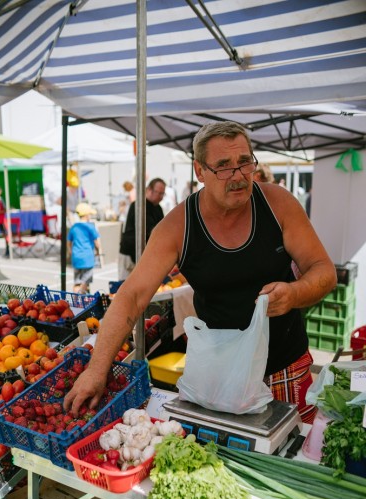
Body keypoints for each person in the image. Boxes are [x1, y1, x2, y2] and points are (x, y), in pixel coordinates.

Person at [64, 122, 336, 422]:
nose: (238, 176)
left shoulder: (278, 204)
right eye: (223, 166)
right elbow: (132, 295)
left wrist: (295, 293)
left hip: (284, 367)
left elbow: (323, 270)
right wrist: (96, 370)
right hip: (216, 375)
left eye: (244, 162)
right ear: (199, 171)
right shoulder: (178, 226)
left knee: (293, 457)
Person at [118, 178, 166, 280]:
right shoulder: (138, 206)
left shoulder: (158, 208)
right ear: (149, 190)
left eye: (162, 194)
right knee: (124, 287)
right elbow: (154, 231)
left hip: (144, 256)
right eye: (158, 193)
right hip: (130, 254)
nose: (161, 197)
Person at [67, 202, 102, 294]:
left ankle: (75, 299)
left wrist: (70, 251)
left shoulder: (74, 227)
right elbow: (96, 242)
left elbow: (69, 242)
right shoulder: (90, 227)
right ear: (86, 215)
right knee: (85, 282)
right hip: (88, 258)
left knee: (77, 281)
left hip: (76, 257)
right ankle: (84, 299)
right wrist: (98, 251)